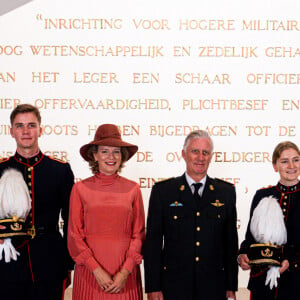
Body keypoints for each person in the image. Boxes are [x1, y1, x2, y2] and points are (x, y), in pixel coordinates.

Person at [144, 130, 238, 300]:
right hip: (173, 287)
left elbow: (230, 244)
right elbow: (153, 245)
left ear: (211, 157)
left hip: (213, 287)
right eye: (195, 151)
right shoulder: (163, 191)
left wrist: (231, 287)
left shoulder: (225, 192)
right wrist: (153, 287)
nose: (200, 157)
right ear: (183, 154)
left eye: (205, 152)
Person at [0, 104, 74, 300]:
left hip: (50, 258)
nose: (26, 131)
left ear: (40, 130)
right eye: (19, 126)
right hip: (7, 261)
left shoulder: (60, 170)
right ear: (11, 131)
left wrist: (68, 263)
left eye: (31, 125)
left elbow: (70, 221)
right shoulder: (0, 169)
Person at [68, 123, 145, 300]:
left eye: (116, 151)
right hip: (90, 274)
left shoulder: (133, 189)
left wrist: (124, 272)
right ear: (94, 155)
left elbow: (139, 235)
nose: (111, 156)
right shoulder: (80, 189)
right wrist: (96, 270)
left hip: (125, 276)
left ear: (122, 156)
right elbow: (74, 236)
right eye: (104, 151)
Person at [238, 141, 300, 299]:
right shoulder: (262, 195)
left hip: (296, 283)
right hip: (263, 284)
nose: (291, 165)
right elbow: (251, 238)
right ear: (275, 166)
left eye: (296, 159)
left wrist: (291, 262)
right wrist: (243, 254)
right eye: (284, 161)